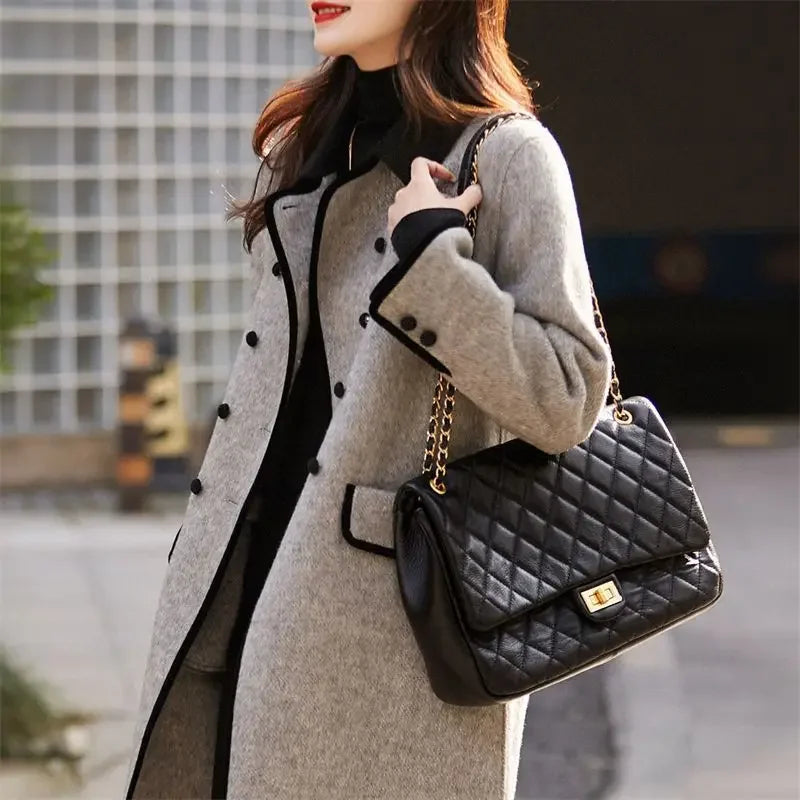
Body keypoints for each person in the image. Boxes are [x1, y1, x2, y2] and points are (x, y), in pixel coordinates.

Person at [123, 1, 613, 799]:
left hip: (388, 645)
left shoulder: (508, 156)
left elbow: (567, 396)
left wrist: (433, 264)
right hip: (236, 602)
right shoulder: (311, 143)